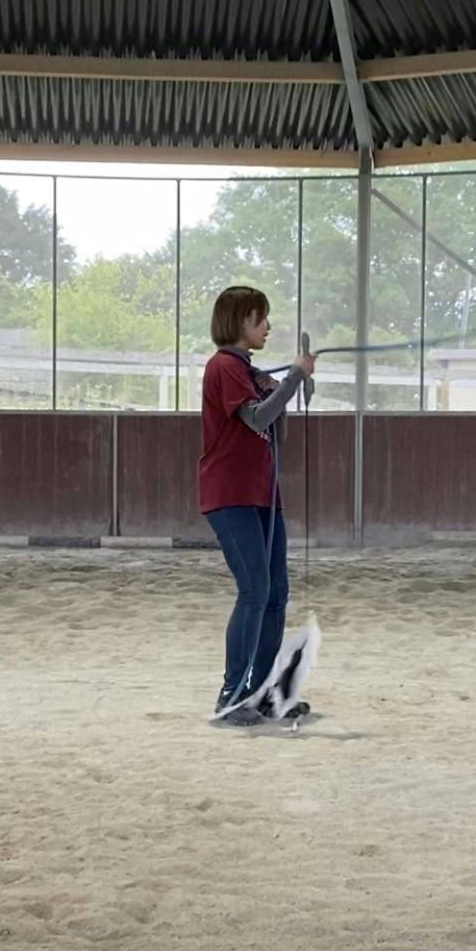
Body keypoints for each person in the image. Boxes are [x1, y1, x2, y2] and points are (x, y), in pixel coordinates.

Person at [198, 286, 316, 726]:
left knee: (275, 594)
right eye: (260, 319)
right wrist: (292, 380)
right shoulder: (225, 367)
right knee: (254, 591)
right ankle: (232, 696)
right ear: (240, 322)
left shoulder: (247, 371)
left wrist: (280, 391)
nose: (267, 326)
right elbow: (255, 419)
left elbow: (274, 433)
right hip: (230, 494)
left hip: (262, 492)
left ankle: (262, 692)